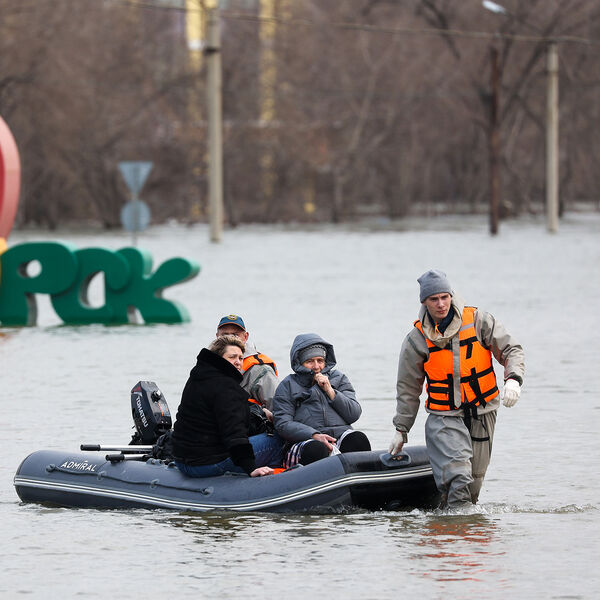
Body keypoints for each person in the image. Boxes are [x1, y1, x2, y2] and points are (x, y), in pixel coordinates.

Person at [388, 269, 525, 508]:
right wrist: (402, 428)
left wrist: (513, 379)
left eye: (444, 297)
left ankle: (454, 525)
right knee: (459, 476)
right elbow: (408, 389)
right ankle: (454, 523)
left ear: (451, 295)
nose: (441, 304)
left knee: (473, 484)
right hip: (444, 417)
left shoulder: (479, 321)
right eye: (434, 299)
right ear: (424, 302)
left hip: (483, 412)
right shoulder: (416, 339)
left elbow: (511, 349)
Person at [171, 335, 283, 478]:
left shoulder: (198, 377)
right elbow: (234, 433)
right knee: (276, 440)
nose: (238, 362)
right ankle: (270, 479)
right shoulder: (227, 387)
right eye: (232, 357)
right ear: (219, 358)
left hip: (182, 461)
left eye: (241, 358)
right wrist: (250, 467)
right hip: (208, 464)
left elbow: (218, 405)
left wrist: (260, 411)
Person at [273, 333, 371, 467]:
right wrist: (314, 435)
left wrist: (330, 391)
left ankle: (362, 478)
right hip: (306, 441)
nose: (316, 366)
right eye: (309, 361)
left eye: (320, 360)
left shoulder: (339, 378)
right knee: (317, 448)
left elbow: (354, 414)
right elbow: (282, 423)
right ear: (300, 363)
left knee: (358, 439)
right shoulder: (288, 385)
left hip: (338, 436)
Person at [216, 314, 279, 415]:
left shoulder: (260, 370)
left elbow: (278, 408)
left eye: (235, 335)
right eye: (224, 335)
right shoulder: (208, 366)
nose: (229, 339)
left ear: (245, 337)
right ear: (217, 337)